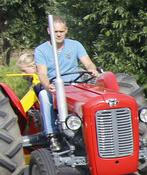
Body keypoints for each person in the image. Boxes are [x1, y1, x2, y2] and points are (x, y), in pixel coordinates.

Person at [34, 16, 99, 148]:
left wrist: (92, 69)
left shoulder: (75, 45)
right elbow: (42, 73)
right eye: (55, 31)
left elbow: (88, 63)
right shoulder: (41, 50)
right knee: (44, 95)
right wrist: (47, 85)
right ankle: (52, 135)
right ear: (49, 31)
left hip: (75, 85)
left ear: (66, 31)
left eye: (61, 31)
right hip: (55, 86)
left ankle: (95, 132)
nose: (58, 34)